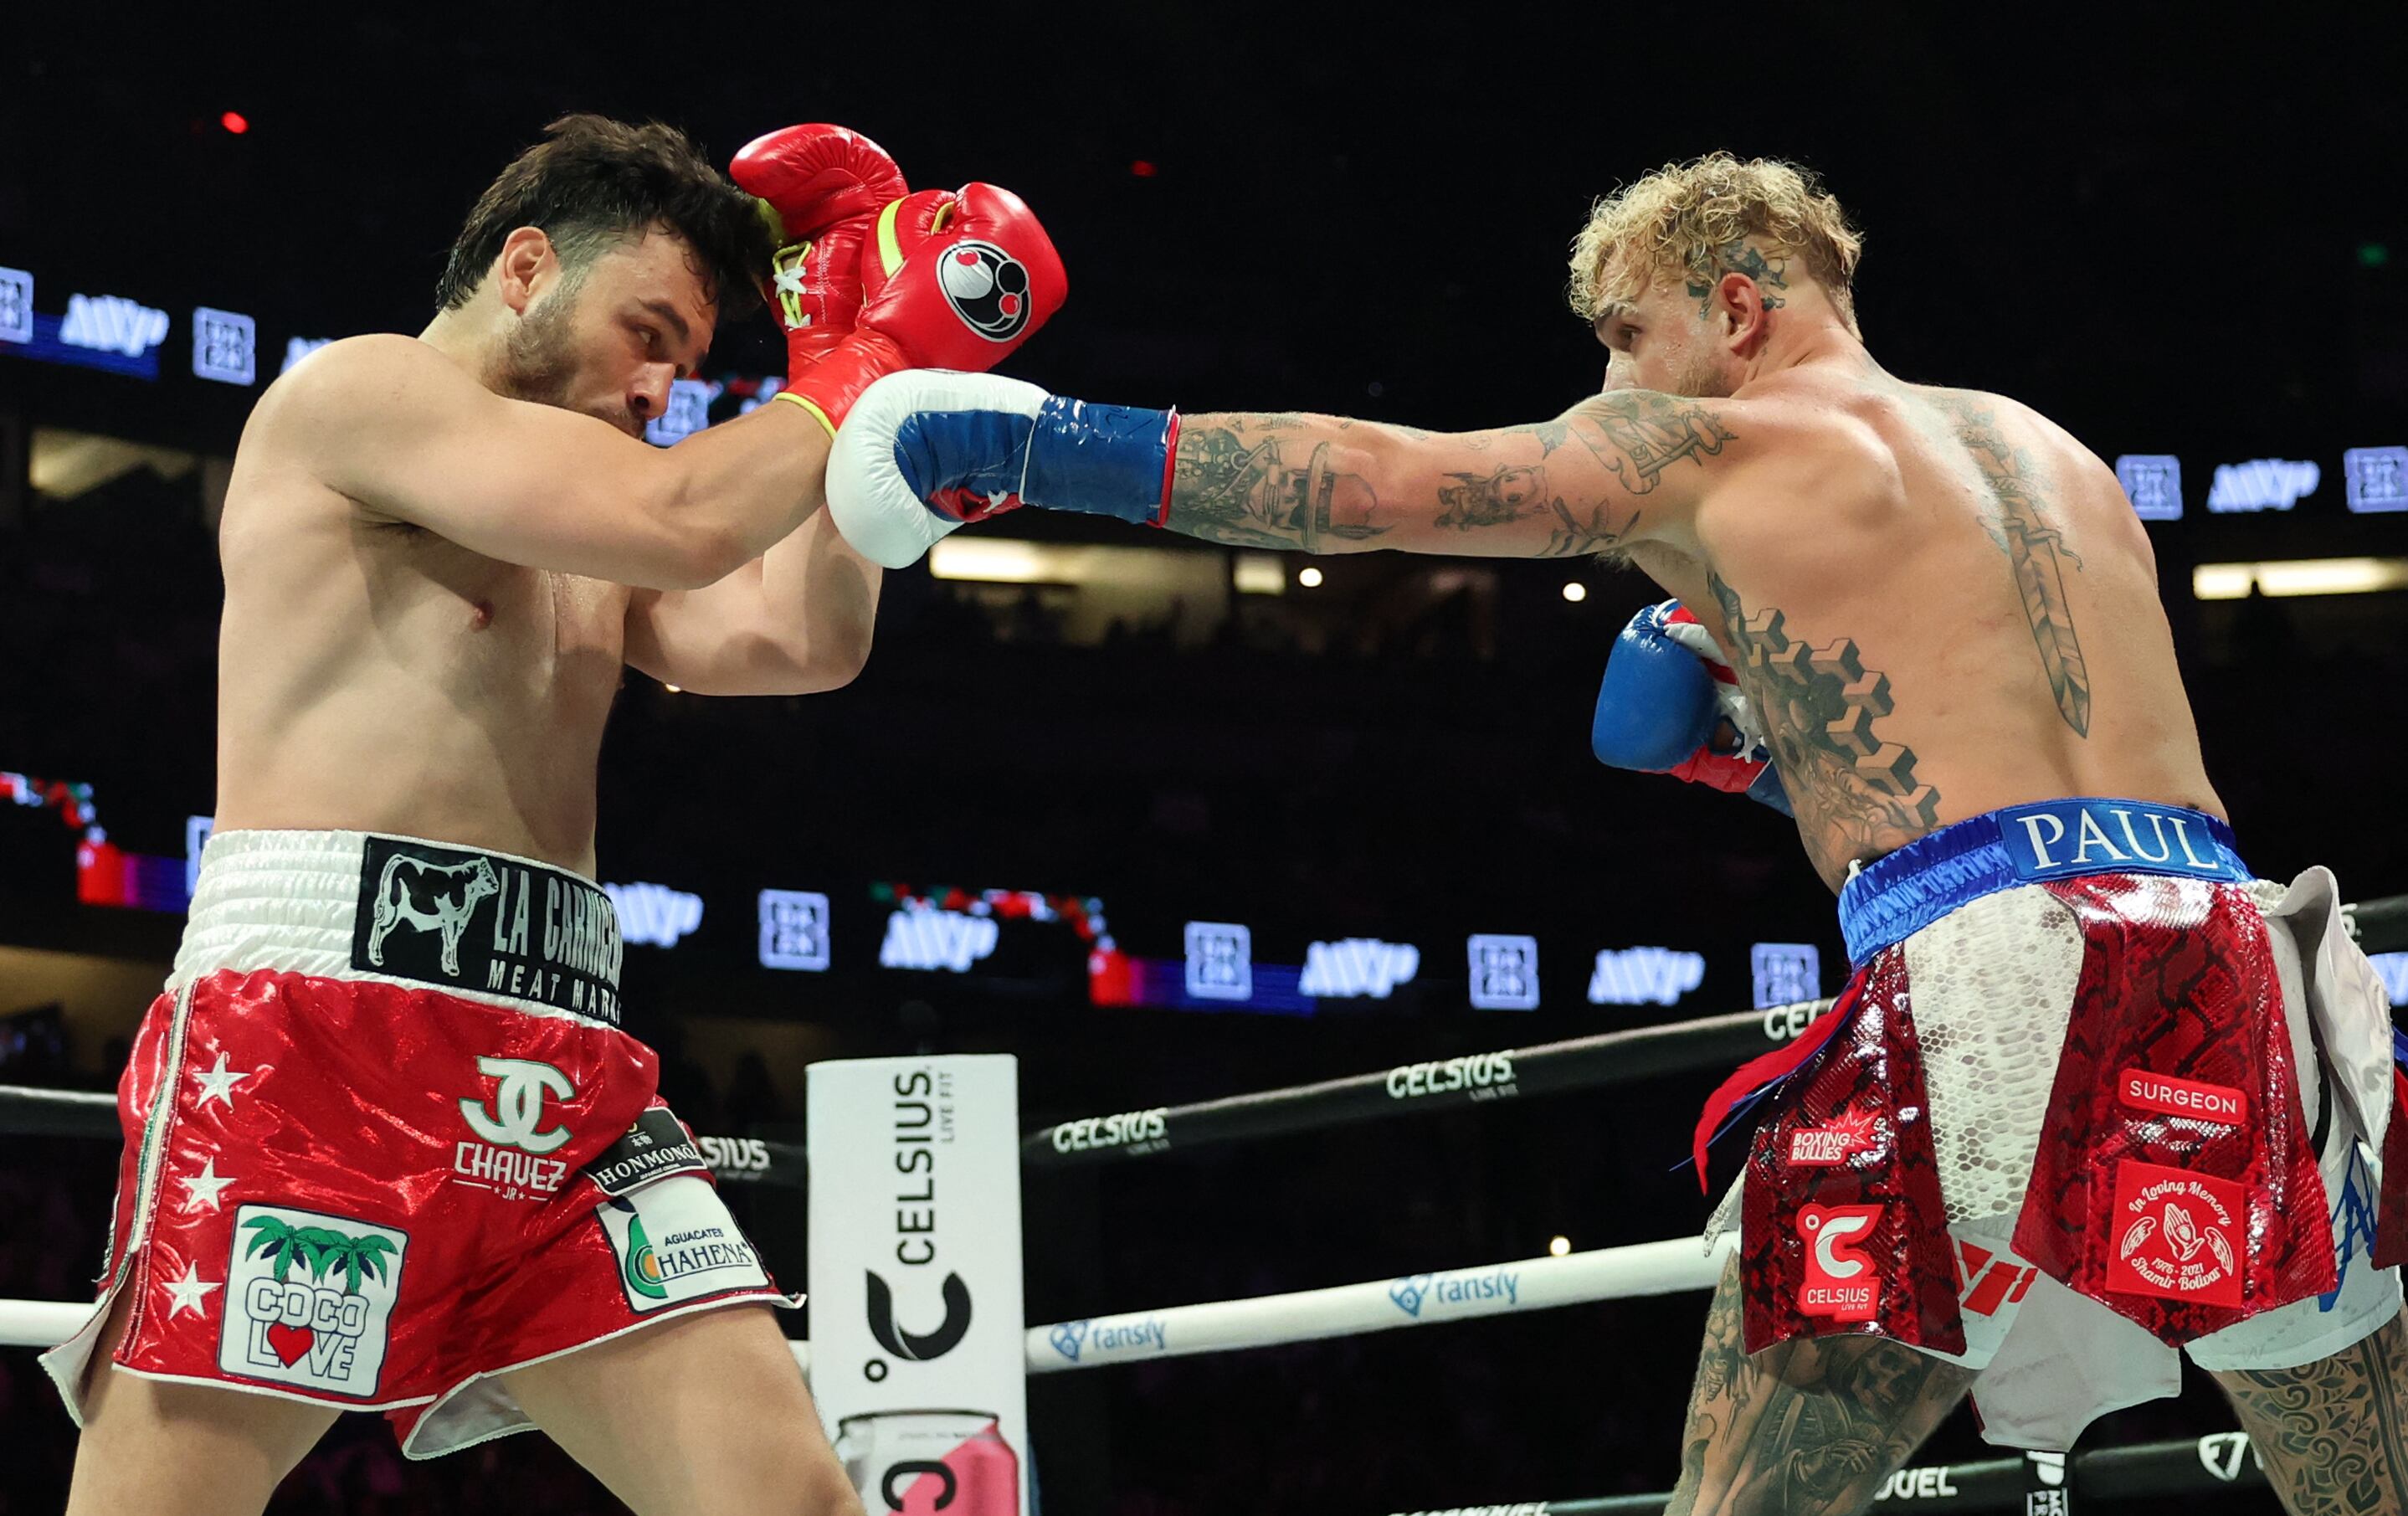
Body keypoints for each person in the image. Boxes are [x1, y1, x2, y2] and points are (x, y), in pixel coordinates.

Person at [823, 152, 2405, 1515]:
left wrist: (1027, 442)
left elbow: (1375, 485)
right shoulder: (2044, 450)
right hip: (2241, 959)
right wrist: (1761, 768)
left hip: (1987, 984)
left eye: (1625, 339)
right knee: (2362, 1484)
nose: (1605, 392)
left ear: (1735, 305)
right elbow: (2034, 802)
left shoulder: (1716, 444)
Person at [39, 112, 1064, 1515]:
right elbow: (690, 521)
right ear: (526, 266)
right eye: (646, 333)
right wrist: (860, 360)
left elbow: (791, 645)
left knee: (792, 1500)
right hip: (318, 1036)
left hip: (562, 1067)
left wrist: (874, 442)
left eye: (691, 366)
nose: (662, 387)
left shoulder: (595, 506)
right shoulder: (361, 399)